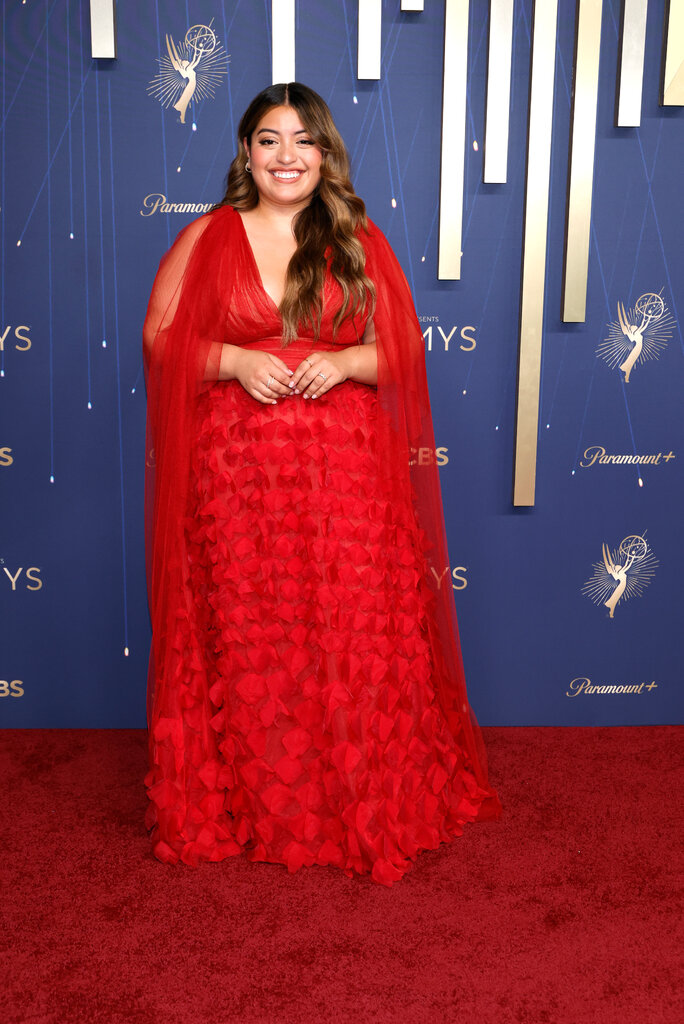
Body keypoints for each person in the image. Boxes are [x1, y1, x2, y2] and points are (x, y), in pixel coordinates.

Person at [143, 82, 500, 887]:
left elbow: (402, 352)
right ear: (245, 153)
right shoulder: (206, 236)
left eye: (303, 140)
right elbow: (161, 341)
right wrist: (233, 360)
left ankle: (362, 800)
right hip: (239, 482)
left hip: (348, 481)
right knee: (256, 637)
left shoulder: (355, 237)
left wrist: (344, 363)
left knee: (351, 633)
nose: (286, 156)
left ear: (324, 153)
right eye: (269, 140)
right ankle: (264, 805)